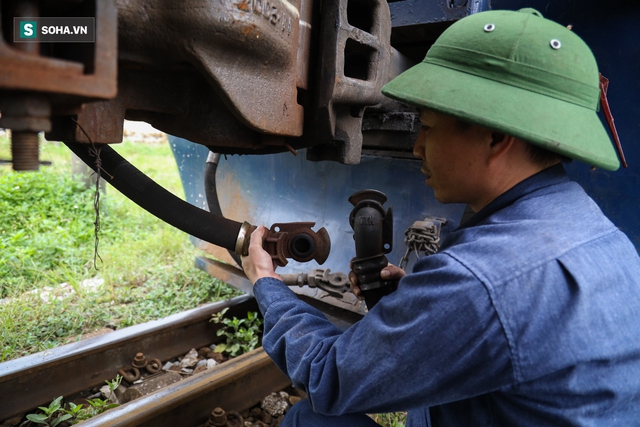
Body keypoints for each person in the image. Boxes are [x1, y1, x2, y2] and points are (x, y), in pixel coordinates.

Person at [242, 8, 640, 426]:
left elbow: (327, 375)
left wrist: (266, 284)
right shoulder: (596, 230)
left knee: (310, 420)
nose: (417, 148)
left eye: (429, 128)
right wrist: (423, 300)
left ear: (496, 137)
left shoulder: (480, 281)